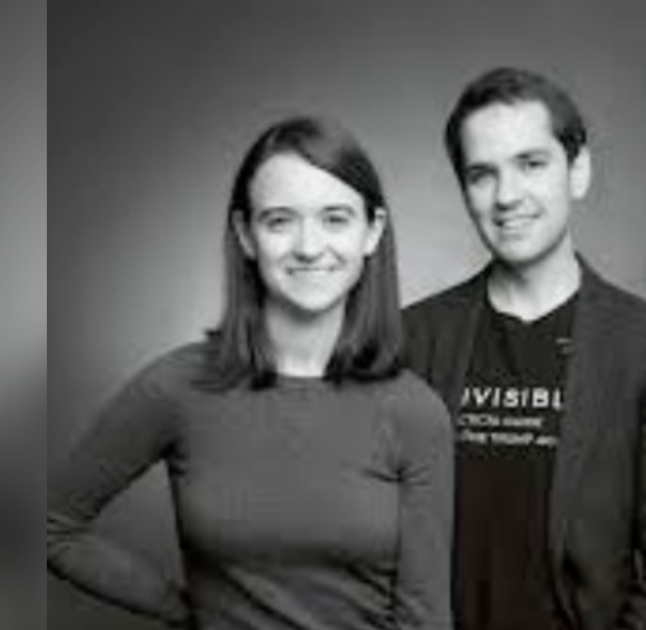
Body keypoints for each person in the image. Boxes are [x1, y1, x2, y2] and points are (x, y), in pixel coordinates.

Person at [48, 116, 454, 630]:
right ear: (245, 234)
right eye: (280, 220)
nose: (309, 246)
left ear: (371, 232)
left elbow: (426, 622)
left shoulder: (416, 413)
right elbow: (51, 526)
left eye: (335, 218)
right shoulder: (177, 388)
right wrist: (183, 611)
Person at [404, 68, 646, 630]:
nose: (506, 196)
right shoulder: (413, 339)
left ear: (578, 171)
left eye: (531, 164)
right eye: (482, 174)